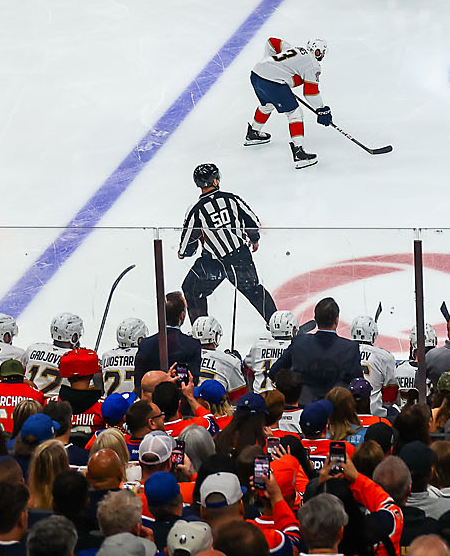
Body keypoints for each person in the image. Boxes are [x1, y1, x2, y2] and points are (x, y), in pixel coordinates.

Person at [178, 163, 278, 324]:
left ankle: (201, 329)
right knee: (254, 290)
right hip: (240, 257)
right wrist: (254, 239)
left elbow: (188, 240)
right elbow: (252, 221)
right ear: (215, 181)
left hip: (212, 263)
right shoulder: (231, 199)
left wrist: (184, 252)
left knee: (192, 289)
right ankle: (277, 324)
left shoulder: (196, 209)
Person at [243, 36, 331, 170]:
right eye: (321, 52)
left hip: (256, 74)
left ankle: (253, 133)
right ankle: (299, 152)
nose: (322, 55)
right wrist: (321, 109)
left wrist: (269, 63)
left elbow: (272, 42)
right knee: (295, 113)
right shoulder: (313, 65)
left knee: (268, 105)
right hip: (272, 82)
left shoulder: (295, 49)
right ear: (318, 51)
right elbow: (310, 92)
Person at [269, 297, 362, 402]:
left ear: (316, 319)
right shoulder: (350, 348)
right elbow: (358, 387)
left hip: (304, 408)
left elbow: (274, 372)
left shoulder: (299, 343)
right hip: (336, 408)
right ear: (336, 320)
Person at [135, 292, 204, 383]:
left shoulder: (145, 344)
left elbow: (139, 381)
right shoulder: (193, 345)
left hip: (152, 392)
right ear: (182, 316)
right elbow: (193, 381)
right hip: (180, 392)